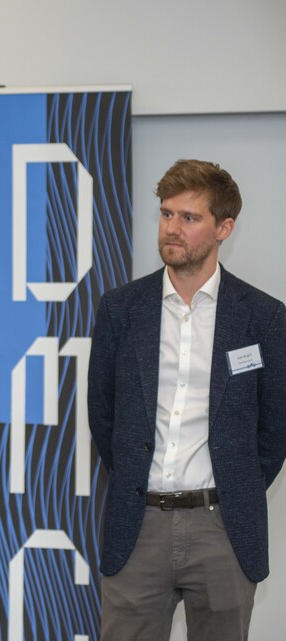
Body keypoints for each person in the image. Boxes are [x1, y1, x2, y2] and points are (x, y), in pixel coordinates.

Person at [87, 159, 286, 640]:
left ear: (225, 227)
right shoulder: (120, 309)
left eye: (189, 218)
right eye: (166, 214)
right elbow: (104, 417)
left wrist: (235, 486)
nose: (172, 228)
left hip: (224, 529)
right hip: (138, 526)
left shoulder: (264, 316)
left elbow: (274, 430)